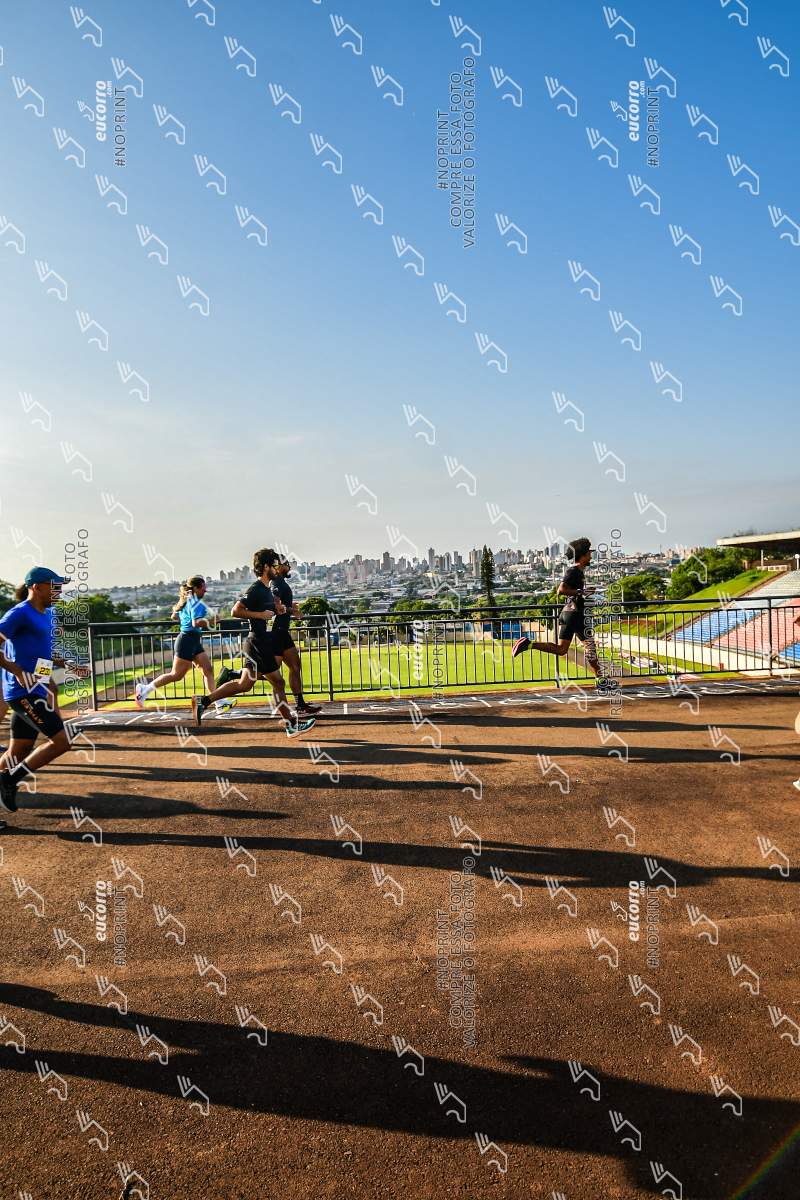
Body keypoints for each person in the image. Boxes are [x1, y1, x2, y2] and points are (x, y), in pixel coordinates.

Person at [191, 548, 316, 737]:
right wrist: (260, 615)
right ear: (266, 567)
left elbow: (270, 608)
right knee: (278, 682)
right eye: (274, 564)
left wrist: (279, 609)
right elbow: (235, 611)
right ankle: (291, 724)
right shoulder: (256, 588)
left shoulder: (266, 589)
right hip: (258, 643)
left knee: (245, 685)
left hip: (257, 643)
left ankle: (204, 701)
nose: (277, 567)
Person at [0, 567, 74, 817]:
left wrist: (59, 664)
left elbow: (38, 652)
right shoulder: (19, 613)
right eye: (55, 586)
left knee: (18, 751)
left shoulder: (49, 614)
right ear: (37, 587)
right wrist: (17, 671)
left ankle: (6, 778)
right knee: (62, 742)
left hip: (37, 689)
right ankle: (9, 780)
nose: (59, 591)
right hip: (22, 691)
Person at [217, 556, 321, 717]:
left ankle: (299, 705)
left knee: (294, 666)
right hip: (275, 633)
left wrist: (290, 607)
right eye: (286, 564)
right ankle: (233, 674)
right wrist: (290, 610)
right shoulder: (275, 583)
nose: (289, 566)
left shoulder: (279, 582)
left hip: (282, 631)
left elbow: (277, 605)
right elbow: (274, 605)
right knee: (271, 676)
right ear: (277, 567)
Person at [511, 537, 604, 683]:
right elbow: (561, 590)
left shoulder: (578, 572)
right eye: (589, 554)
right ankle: (600, 679)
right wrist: (581, 592)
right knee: (589, 646)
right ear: (583, 555)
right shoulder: (574, 571)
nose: (591, 557)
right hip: (575, 615)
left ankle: (528, 644)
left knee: (562, 650)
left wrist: (583, 592)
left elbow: (572, 591)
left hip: (570, 613)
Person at [135, 575, 230, 710]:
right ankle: (145, 689)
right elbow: (196, 623)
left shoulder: (187, 601)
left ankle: (218, 702)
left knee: (208, 670)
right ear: (195, 588)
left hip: (193, 640)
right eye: (203, 588)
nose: (205, 590)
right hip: (186, 641)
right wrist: (213, 621)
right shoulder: (196, 603)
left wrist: (186, 621)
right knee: (176, 675)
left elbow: (174, 616)